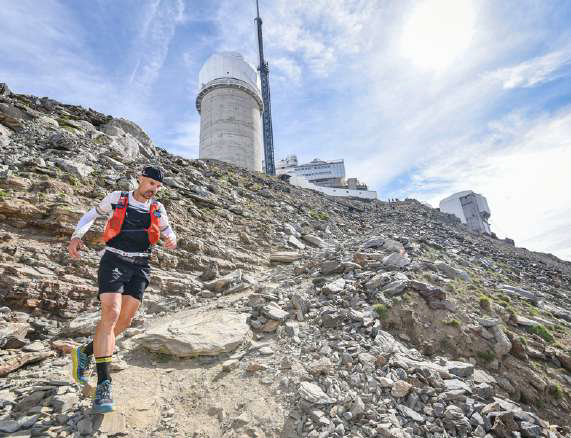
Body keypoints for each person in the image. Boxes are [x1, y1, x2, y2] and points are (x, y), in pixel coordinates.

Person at [67, 165, 176, 413]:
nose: (154, 190)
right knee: (111, 313)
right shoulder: (118, 198)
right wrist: (77, 235)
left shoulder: (157, 208)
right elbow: (90, 214)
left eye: (158, 187)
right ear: (140, 179)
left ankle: (84, 352)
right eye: (151, 184)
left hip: (141, 264)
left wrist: (172, 239)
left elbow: (168, 230)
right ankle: (104, 383)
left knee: (124, 321)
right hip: (114, 259)